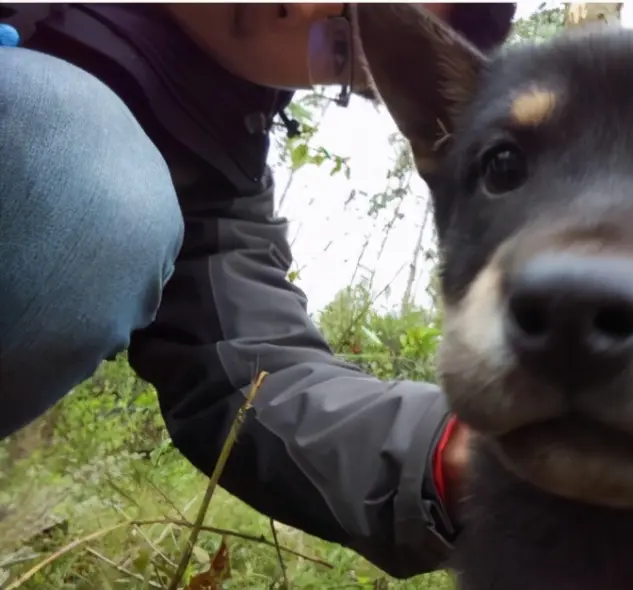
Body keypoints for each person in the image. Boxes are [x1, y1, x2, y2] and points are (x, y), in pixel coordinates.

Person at [0, 3, 515, 579]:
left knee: (87, 186)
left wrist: (453, 451)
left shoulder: (208, 183)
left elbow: (254, 376)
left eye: (340, 43)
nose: (297, 6)